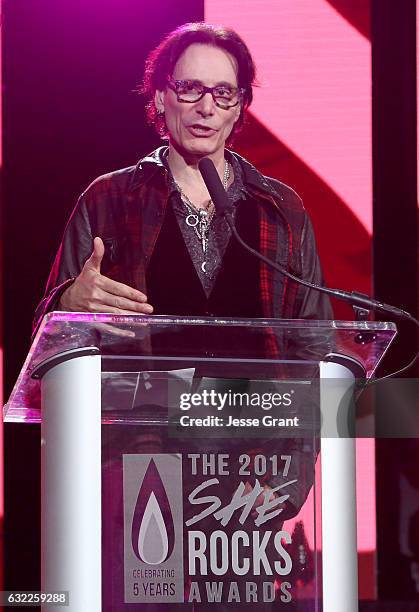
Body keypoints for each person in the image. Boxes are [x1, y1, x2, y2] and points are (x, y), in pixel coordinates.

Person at [34, 22, 331, 610]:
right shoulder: (109, 199)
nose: (206, 108)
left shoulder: (282, 208)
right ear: (160, 97)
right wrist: (68, 305)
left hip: (255, 469)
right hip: (143, 462)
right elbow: (46, 344)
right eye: (190, 88)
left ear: (241, 104)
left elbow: (314, 348)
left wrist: (295, 467)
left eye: (225, 93)